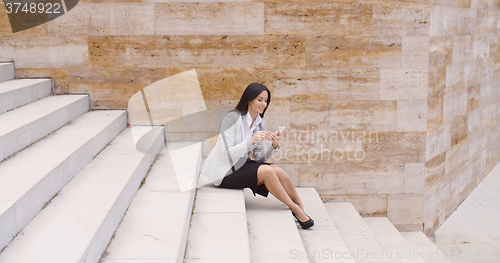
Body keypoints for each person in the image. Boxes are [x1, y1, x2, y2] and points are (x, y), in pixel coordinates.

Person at [201, 82, 314, 229]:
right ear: (249, 99)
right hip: (224, 170)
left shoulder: (260, 123)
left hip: (242, 164)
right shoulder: (231, 118)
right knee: (267, 172)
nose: (263, 104)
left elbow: (259, 157)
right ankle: (295, 209)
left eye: (266, 101)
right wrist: (251, 141)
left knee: (278, 170)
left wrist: (273, 146)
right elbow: (225, 153)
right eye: (260, 99)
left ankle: (300, 206)